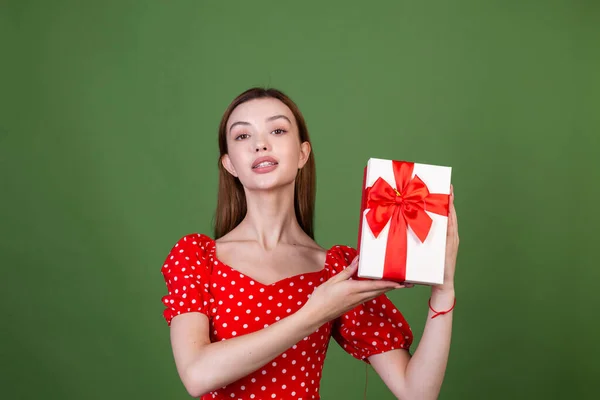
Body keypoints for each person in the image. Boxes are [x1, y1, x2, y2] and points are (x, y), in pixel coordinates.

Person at [160, 87, 459, 400]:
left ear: (303, 153)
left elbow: (417, 393)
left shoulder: (338, 271)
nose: (261, 144)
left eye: (277, 130)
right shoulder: (197, 257)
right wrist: (316, 312)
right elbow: (197, 375)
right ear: (230, 164)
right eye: (242, 136)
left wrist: (444, 289)